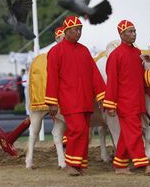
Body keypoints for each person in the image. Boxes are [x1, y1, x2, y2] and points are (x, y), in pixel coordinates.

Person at [45, 16, 105, 176]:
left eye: (80, 29)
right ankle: (70, 164)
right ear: (66, 31)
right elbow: (51, 78)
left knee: (84, 132)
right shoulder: (55, 51)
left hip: (86, 100)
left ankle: (79, 164)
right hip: (69, 99)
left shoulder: (84, 50)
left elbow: (94, 74)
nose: (78, 32)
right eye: (75, 30)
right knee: (77, 130)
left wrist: (101, 95)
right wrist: (52, 102)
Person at [102, 20, 150, 176]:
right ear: (121, 34)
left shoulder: (137, 53)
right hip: (124, 102)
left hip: (137, 100)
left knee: (127, 134)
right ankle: (144, 164)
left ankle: (120, 165)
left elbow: (140, 78)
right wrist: (111, 105)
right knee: (135, 133)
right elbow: (111, 82)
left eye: (134, 31)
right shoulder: (115, 55)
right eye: (130, 32)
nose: (133, 34)